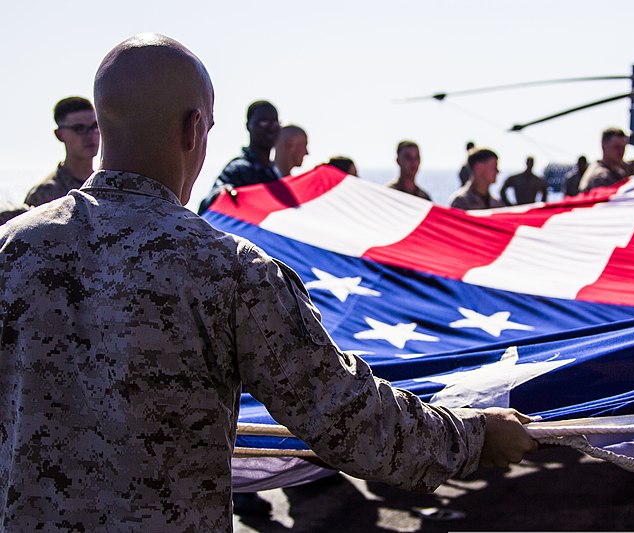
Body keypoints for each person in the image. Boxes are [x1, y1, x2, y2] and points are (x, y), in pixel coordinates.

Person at [0, 34, 536, 531]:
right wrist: (472, 437)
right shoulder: (232, 272)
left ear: (104, 125)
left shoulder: (12, 250)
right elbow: (348, 418)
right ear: (192, 130)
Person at [197, 100, 281, 214]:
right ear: (248, 126)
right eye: (263, 122)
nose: (271, 128)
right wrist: (222, 195)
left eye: (275, 122)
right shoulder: (238, 169)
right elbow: (208, 206)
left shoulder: (275, 173)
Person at [25, 97, 100, 206]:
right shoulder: (45, 195)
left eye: (94, 126)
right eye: (79, 128)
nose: (90, 135)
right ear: (60, 135)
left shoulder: (103, 185)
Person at [579, 127, 631, 193]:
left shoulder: (616, 170)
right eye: (616, 147)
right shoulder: (600, 178)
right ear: (603, 146)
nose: (621, 151)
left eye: (623, 147)